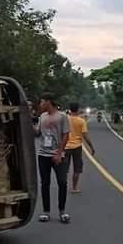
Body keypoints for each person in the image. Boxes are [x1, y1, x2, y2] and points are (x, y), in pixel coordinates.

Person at [36, 92, 71, 223]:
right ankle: (46, 212)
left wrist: (59, 153)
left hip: (58, 155)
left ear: (48, 102)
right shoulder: (42, 116)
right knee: (45, 183)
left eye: (41, 101)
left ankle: (62, 211)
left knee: (62, 182)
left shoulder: (62, 116)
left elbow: (66, 135)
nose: (40, 104)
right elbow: (37, 132)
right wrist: (27, 118)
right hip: (43, 154)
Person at [65, 102, 96, 194]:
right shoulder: (81, 121)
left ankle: (63, 185)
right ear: (78, 109)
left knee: (64, 168)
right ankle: (74, 188)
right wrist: (91, 147)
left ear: (70, 109)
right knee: (77, 168)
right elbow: (85, 136)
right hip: (77, 147)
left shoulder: (65, 119)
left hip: (65, 147)